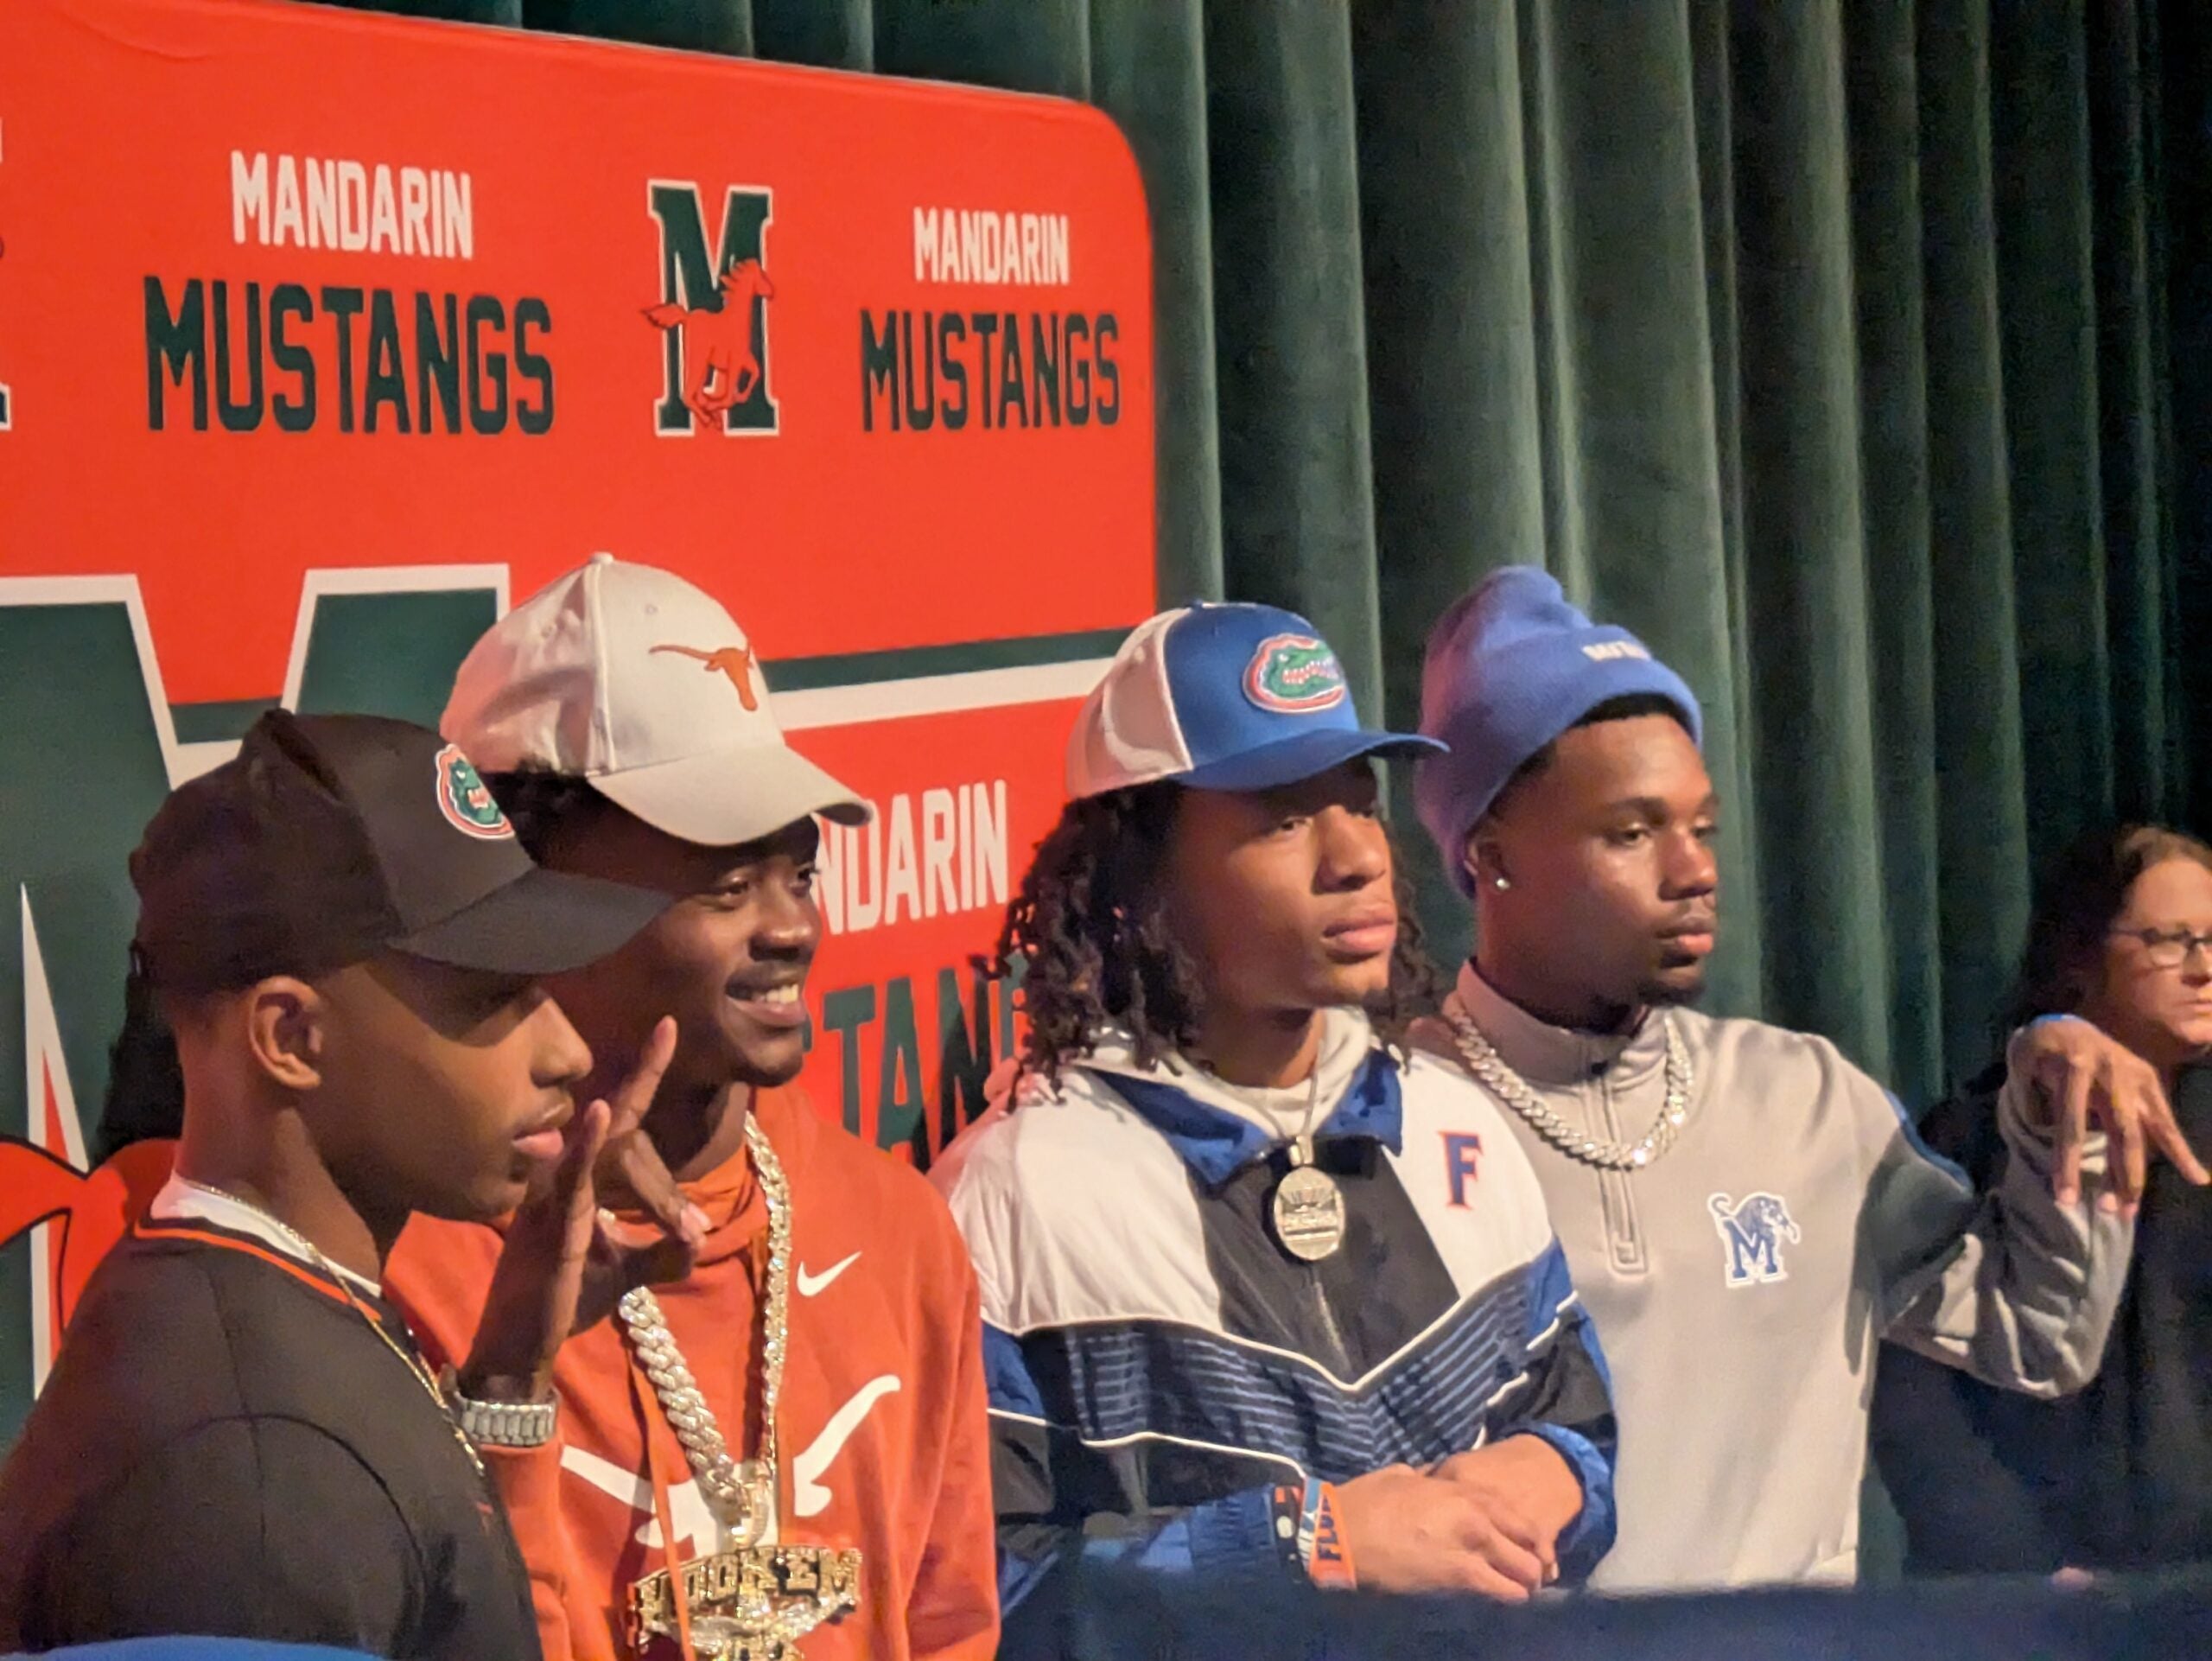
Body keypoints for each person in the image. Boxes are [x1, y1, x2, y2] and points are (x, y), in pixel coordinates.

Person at [1410, 565, 2199, 1593]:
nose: (1693, 869)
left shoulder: (1806, 1098)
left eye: (1702, 827)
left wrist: (2062, 1121)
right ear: (1490, 854)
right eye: (1632, 830)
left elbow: (2037, 1336)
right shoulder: (1395, 1120)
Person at [932, 603, 1619, 1645]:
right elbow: (979, 1592)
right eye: (1284, 816)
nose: (1355, 856)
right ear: (1138, 878)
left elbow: (1581, 1423)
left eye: (1359, 801)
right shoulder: (1017, 1188)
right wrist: (1308, 1543)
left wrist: (1556, 1473)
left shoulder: (1446, 1118)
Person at [384, 555, 1000, 1661]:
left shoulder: (897, 1229)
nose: (790, 928)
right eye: (724, 885)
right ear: (527, 895)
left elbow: (952, 1623)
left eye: (798, 874)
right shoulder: (417, 1261)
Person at [0, 711, 672, 1658]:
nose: (564, 1048)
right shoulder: (245, 1476)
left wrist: (511, 1369)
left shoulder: (282, 1318)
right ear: (290, 1037)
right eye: (492, 996)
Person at [1872, 825, 2212, 1576]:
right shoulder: (1970, 1135)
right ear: (2080, 958)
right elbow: (1913, 1387)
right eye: (2169, 940)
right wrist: (2023, 1569)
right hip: (2026, 1602)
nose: (2203, 968)